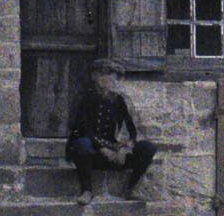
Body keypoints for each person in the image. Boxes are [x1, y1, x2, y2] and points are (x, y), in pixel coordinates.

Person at [65, 61, 156, 201]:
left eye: (114, 78)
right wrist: (102, 148)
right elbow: (80, 128)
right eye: (108, 77)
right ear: (96, 78)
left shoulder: (119, 100)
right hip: (91, 154)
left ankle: (130, 189)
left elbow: (131, 129)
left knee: (148, 148)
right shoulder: (84, 97)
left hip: (114, 153)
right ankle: (87, 191)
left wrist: (124, 149)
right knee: (81, 143)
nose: (113, 81)